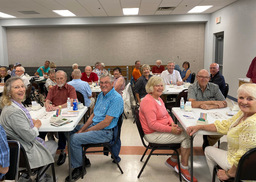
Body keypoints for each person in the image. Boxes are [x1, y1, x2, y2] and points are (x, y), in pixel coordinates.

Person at [187, 83, 256, 181]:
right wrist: (200, 126)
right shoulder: (243, 113)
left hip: (243, 166)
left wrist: (228, 174)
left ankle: (218, 178)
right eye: (241, 97)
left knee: (208, 150)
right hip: (239, 157)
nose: (244, 102)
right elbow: (225, 125)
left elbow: (244, 155)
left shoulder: (252, 123)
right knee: (223, 144)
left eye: (250, 99)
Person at [65, 74, 123, 182]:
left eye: (106, 82)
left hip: (105, 132)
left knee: (74, 139)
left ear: (112, 84)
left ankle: (79, 168)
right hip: (95, 126)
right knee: (69, 130)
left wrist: (85, 131)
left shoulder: (116, 98)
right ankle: (82, 159)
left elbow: (106, 123)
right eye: (101, 82)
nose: (103, 85)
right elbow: (93, 115)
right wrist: (82, 129)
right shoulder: (101, 95)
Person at [139, 76, 197, 182]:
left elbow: (167, 114)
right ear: (151, 87)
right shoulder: (148, 101)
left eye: (161, 85)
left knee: (183, 132)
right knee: (187, 137)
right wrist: (171, 130)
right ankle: (183, 168)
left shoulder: (158, 98)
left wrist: (172, 124)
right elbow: (152, 125)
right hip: (153, 134)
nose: (160, 88)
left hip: (159, 130)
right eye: (157, 86)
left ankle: (173, 160)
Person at [0, 77, 57, 181]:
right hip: (24, 152)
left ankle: (31, 175)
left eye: (22, 86)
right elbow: (30, 136)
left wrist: (29, 121)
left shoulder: (12, 106)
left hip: (20, 146)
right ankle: (39, 176)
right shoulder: (13, 111)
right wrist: (36, 125)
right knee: (53, 144)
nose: (21, 89)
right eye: (16, 87)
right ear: (8, 92)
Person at [188, 69, 227, 150]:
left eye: (206, 77)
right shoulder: (192, 87)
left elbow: (224, 103)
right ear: (197, 77)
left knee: (221, 128)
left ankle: (208, 142)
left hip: (212, 113)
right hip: (196, 114)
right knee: (190, 129)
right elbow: (192, 103)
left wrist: (210, 106)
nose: (204, 79)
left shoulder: (214, 87)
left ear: (209, 78)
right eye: (201, 77)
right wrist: (213, 102)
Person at [44, 70, 77, 166]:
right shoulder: (52, 89)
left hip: (65, 113)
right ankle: (42, 152)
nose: (59, 80)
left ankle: (62, 151)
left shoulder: (70, 88)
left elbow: (71, 102)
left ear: (65, 79)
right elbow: (47, 100)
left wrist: (57, 107)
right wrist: (47, 105)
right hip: (52, 113)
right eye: (57, 78)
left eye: (61, 78)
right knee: (41, 129)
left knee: (62, 130)